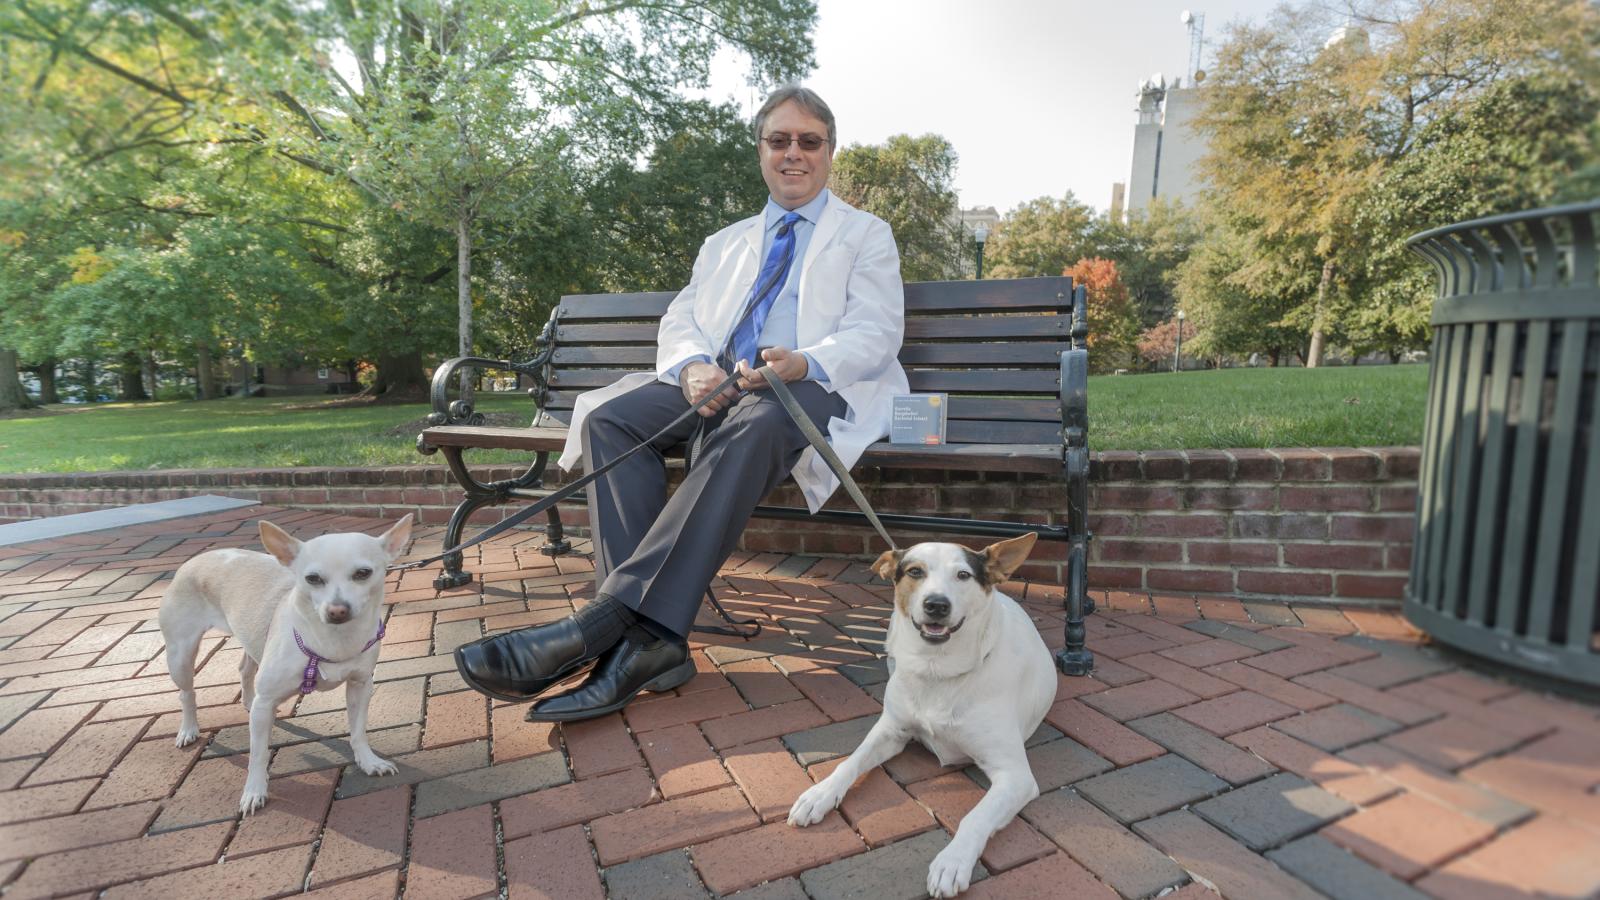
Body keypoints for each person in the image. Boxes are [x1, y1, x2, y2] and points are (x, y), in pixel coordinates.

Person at [455, 86, 908, 722]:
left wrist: (804, 360)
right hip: (716, 385)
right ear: (760, 151)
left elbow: (878, 331)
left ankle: (609, 626)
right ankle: (654, 644)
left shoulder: (865, 234)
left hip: (813, 385)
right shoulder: (725, 241)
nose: (793, 154)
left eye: (809, 141)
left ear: (830, 152)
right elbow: (683, 316)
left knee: (761, 417)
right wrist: (693, 366)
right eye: (779, 140)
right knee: (609, 419)